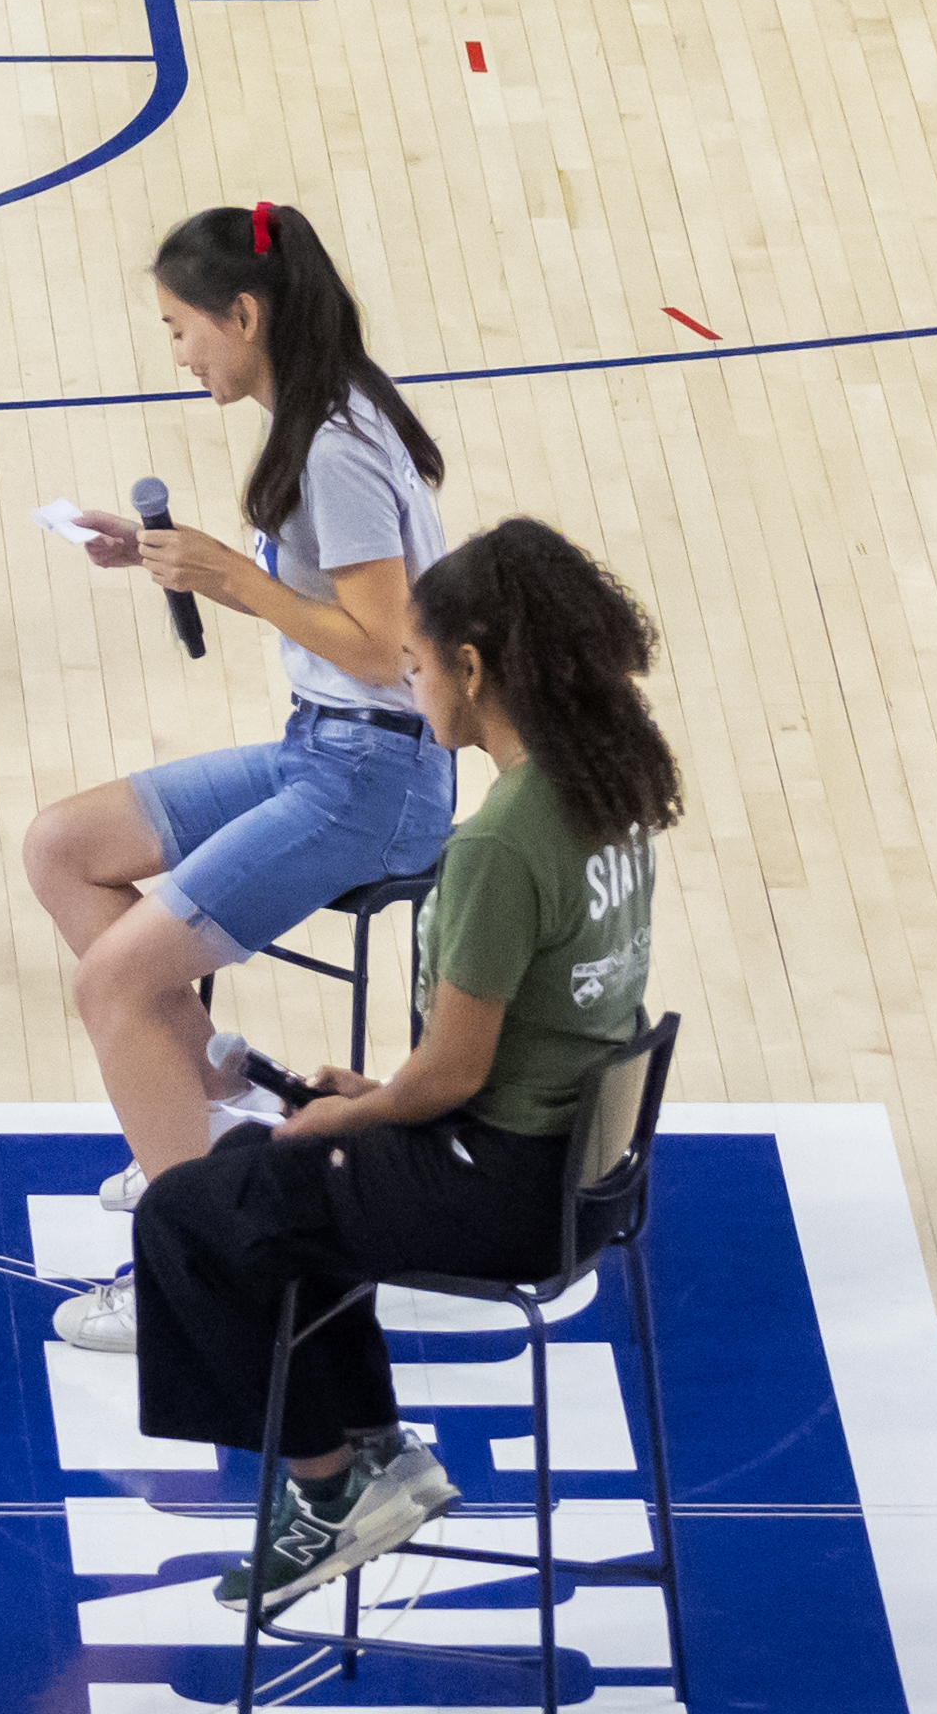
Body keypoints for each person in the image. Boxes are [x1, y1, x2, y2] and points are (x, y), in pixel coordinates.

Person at [112, 508, 675, 1607]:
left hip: (504, 1184)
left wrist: (352, 1116)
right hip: (581, 1171)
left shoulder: (500, 842)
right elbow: (514, 1041)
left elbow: (455, 1076)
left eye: (413, 667)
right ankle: (377, 1453)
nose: (409, 687)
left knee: (192, 1212)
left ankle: (326, 1489)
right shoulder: (608, 792)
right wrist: (380, 1098)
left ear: (469, 669)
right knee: (283, 1195)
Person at [18, 199, 454, 1307]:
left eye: (179, 327)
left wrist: (233, 580)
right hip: (322, 750)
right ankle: (205, 1112)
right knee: (64, 847)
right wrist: (173, 557)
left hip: (374, 778)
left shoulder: (335, 454)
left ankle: (196, 1280)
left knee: (113, 984)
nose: (174, 352)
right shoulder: (323, 412)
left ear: (245, 314)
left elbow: (386, 651)